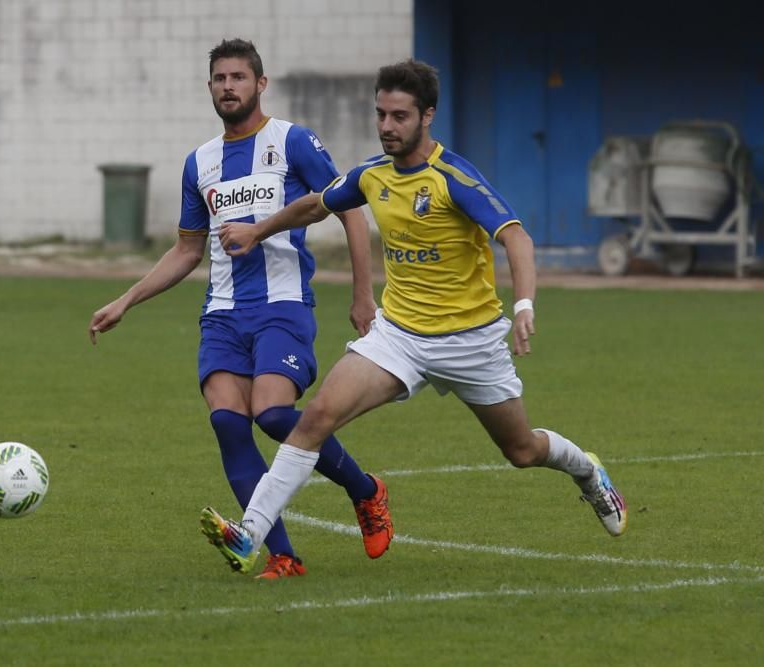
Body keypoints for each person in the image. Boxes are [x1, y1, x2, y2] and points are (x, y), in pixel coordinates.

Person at [201, 58, 628, 575]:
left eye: (399, 116)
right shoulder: (372, 175)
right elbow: (316, 205)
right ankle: (251, 535)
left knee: (521, 449)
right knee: (313, 419)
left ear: (427, 115)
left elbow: (516, 236)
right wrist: (257, 230)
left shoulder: (454, 178)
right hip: (398, 337)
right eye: (380, 114)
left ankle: (587, 471)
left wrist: (523, 306)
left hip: (471, 343)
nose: (386, 126)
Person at [89, 39, 394, 579]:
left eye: (238, 77)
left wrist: (363, 293)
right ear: (210, 87)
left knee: (274, 416)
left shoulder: (292, 141)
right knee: (230, 426)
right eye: (219, 78)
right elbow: (187, 248)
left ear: (260, 83)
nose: (228, 86)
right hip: (223, 316)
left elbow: (349, 211)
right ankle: (281, 554)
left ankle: (365, 490)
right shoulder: (199, 162)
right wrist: (127, 300)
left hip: (283, 306)